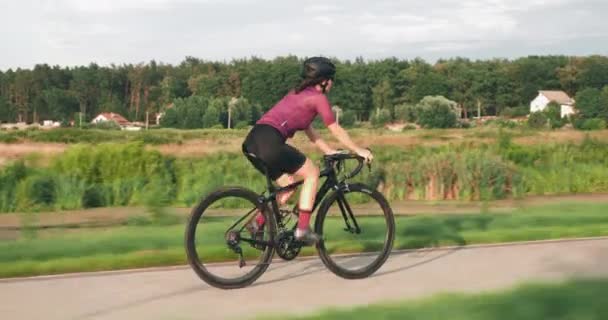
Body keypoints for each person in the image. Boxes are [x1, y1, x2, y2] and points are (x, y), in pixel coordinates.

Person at [241, 56, 373, 245]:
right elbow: (334, 128)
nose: (332, 83)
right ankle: (302, 230)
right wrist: (359, 150)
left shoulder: (297, 94)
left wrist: (328, 151)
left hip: (252, 141)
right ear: (324, 81)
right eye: (331, 79)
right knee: (312, 173)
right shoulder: (318, 99)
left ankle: (256, 224)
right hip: (270, 141)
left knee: (288, 186)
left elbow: (310, 130)